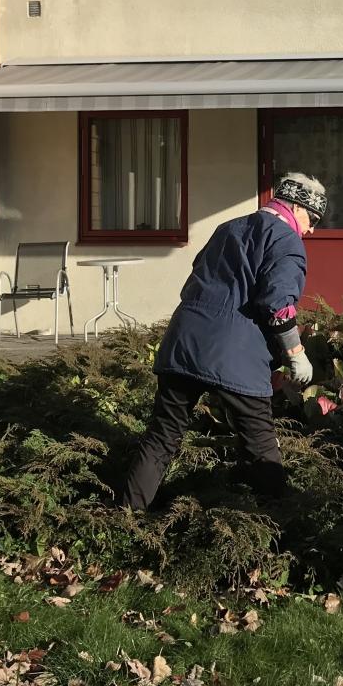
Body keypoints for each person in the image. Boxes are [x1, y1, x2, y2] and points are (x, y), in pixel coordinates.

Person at [118, 173, 326, 509]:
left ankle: (124, 520)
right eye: (312, 218)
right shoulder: (287, 241)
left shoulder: (229, 227)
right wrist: (296, 353)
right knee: (260, 445)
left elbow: (199, 275)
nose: (312, 229)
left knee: (161, 438)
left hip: (183, 343)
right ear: (295, 205)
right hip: (235, 357)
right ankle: (277, 529)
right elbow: (279, 307)